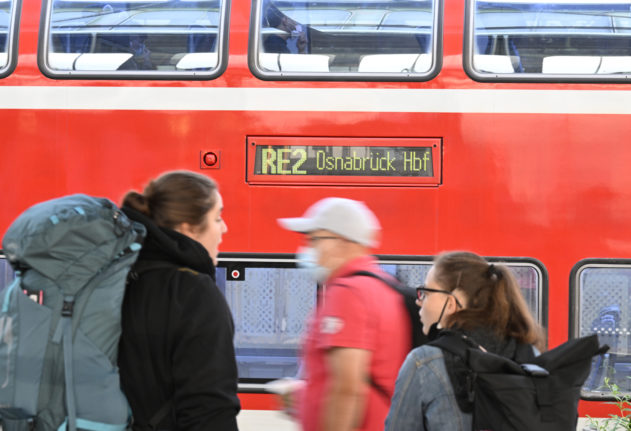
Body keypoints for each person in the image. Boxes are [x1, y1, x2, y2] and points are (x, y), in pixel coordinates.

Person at [118, 170, 240, 431]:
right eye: (217, 217)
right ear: (188, 229)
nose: (224, 228)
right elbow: (210, 409)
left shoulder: (119, 280)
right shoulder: (193, 292)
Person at [277, 197, 411, 431]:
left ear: (341, 240)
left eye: (314, 239)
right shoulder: (381, 286)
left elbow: (347, 389)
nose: (308, 248)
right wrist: (306, 394)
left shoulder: (348, 293)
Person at [385, 251, 545, 431]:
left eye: (426, 293)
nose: (419, 302)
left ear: (451, 304)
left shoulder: (424, 361)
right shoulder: (529, 353)